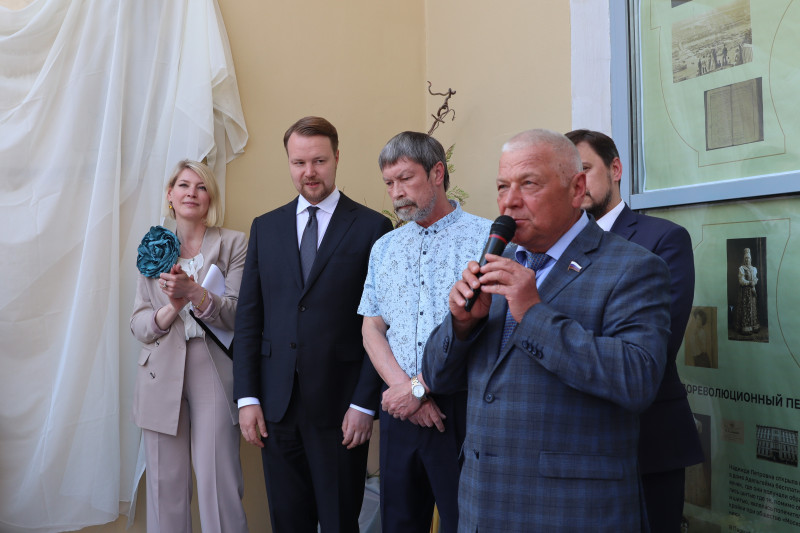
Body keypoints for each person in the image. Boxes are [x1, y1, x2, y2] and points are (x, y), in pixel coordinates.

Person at [422, 129, 672, 532]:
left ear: (577, 189)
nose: (510, 200)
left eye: (529, 184)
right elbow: (436, 377)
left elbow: (636, 379)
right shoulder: (494, 263)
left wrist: (533, 313)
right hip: (481, 507)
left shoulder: (633, 267)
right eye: (502, 186)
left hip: (570, 513)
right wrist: (462, 325)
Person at [233, 116, 393, 532]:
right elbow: (249, 319)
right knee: (288, 522)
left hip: (342, 410)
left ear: (337, 158)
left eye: (319, 161)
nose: (309, 172)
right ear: (288, 162)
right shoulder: (265, 228)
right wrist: (247, 398)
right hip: (276, 407)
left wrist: (364, 404)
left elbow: (381, 324)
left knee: (340, 522)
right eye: (299, 162)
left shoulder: (373, 228)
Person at [565, 129, 704, 532]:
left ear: (616, 169)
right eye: (568, 175)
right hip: (569, 446)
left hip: (647, 441)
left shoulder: (661, 238)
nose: (578, 183)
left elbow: (658, 344)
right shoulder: (553, 248)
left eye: (586, 169)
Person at [359, 132, 491, 533]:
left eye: (405, 179)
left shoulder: (486, 239)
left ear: (437, 173)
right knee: (398, 524)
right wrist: (406, 391)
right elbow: (371, 327)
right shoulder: (384, 247)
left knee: (463, 523)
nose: (396, 193)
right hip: (399, 410)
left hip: (462, 412)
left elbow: (489, 330)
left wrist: (419, 389)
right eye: (389, 183)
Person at [130, 159, 248, 533]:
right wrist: (172, 309)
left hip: (212, 367)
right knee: (164, 486)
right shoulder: (153, 247)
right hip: (159, 370)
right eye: (183, 185)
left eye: (201, 187)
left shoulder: (234, 243)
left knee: (218, 481)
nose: (191, 193)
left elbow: (239, 314)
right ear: (170, 194)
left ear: (210, 196)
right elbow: (139, 324)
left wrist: (195, 292)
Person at [735, 247, 760, 334]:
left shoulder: (754, 269)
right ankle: (746, 328)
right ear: (744, 259)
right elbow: (741, 280)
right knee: (746, 309)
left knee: (753, 308)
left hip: (752, 291)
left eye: (748, 258)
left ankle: (753, 327)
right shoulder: (741, 268)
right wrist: (749, 282)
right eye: (745, 258)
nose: (747, 260)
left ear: (750, 259)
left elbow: (756, 278)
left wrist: (754, 282)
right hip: (745, 292)